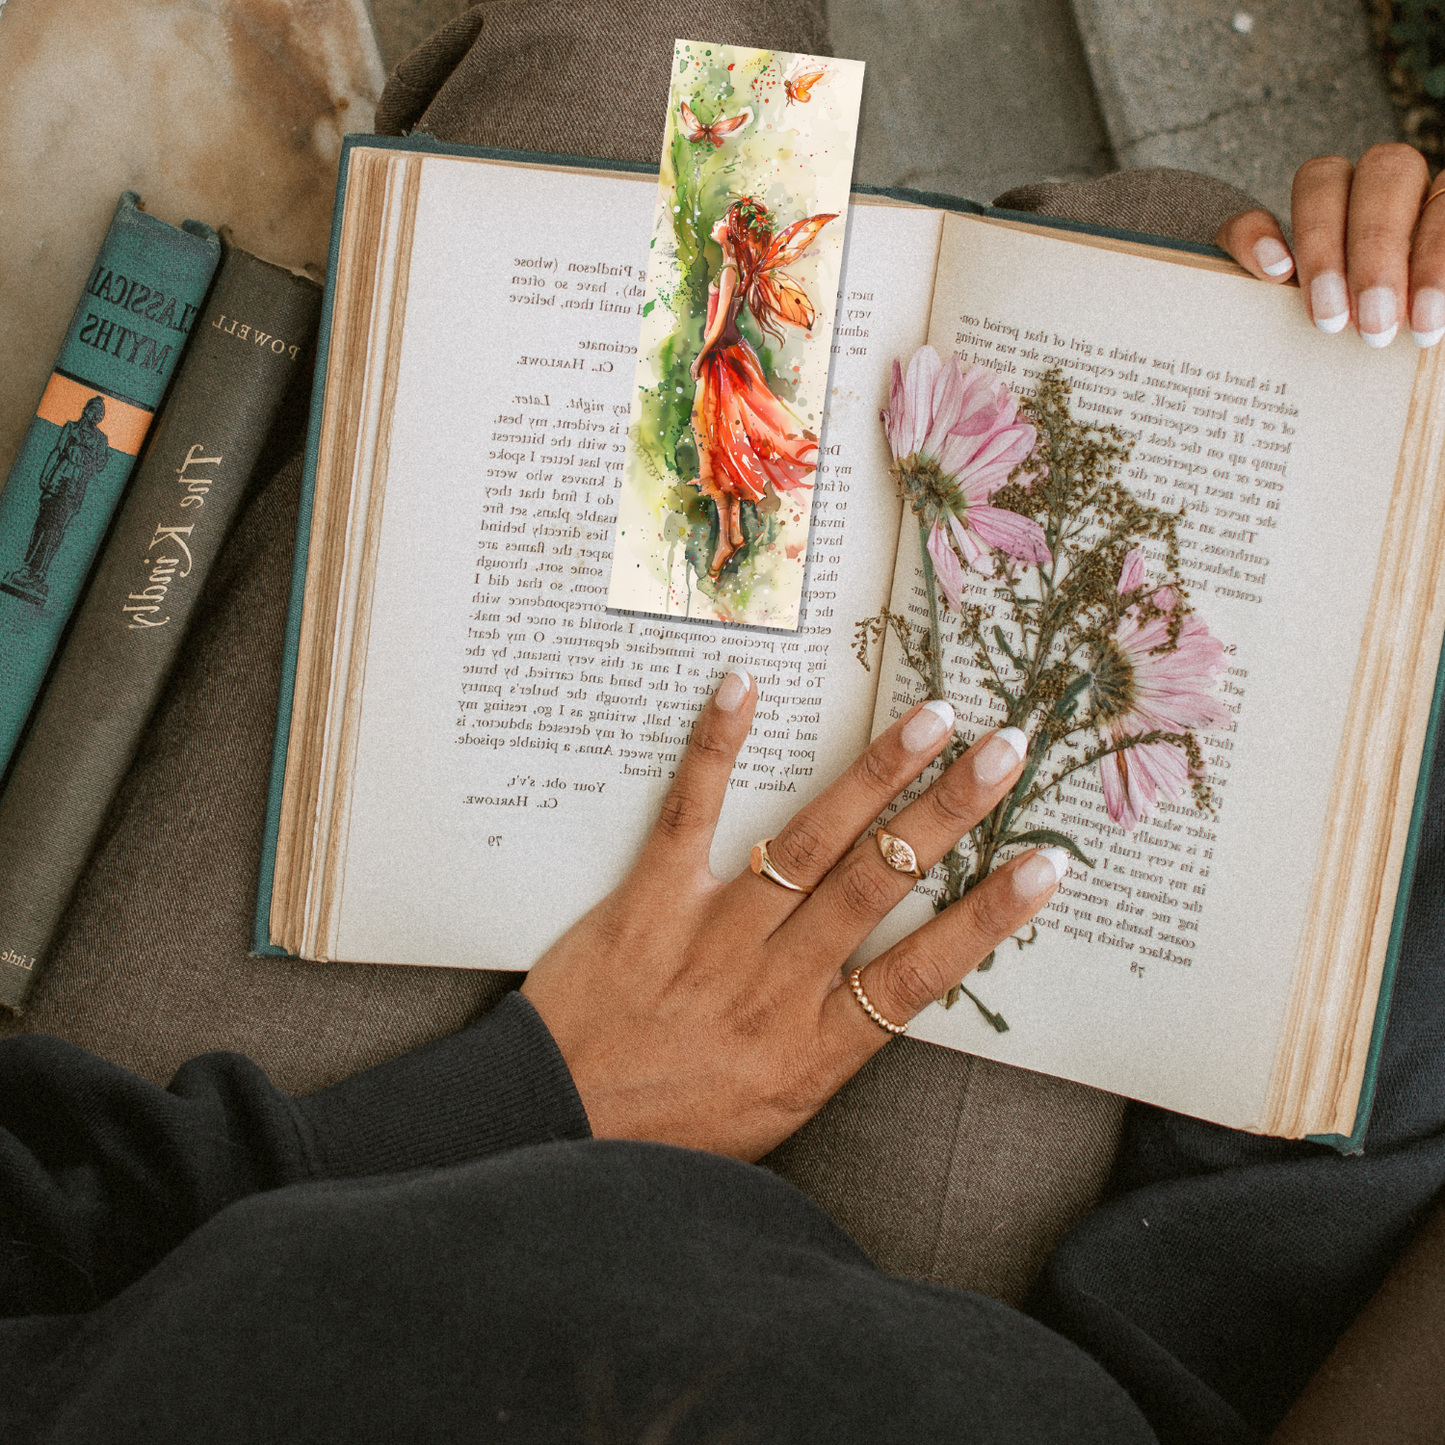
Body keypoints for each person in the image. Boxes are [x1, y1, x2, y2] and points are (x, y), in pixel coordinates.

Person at [5, 4, 1445, 1438]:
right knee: (1188, 264)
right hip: (915, 1330)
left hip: (227, 1255)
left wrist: (526, 1096)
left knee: (679, 70)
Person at [688, 198, 832, 575]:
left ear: (733, 231)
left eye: (725, 219)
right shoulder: (734, 269)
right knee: (724, 445)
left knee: (718, 442)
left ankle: (727, 538)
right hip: (731, 359)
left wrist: (700, 356)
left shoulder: (731, 271)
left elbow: (719, 326)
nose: (718, 221)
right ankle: (729, 535)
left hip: (723, 360)